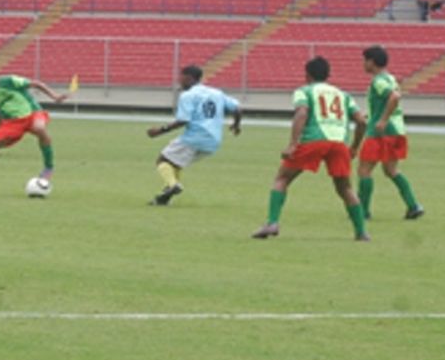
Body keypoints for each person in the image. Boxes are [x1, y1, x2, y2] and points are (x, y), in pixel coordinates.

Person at [252, 56, 370, 241]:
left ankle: (272, 222)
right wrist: (354, 147)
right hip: (339, 143)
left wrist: (293, 144)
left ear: (307, 75)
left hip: (313, 140)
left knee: (282, 178)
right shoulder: (343, 95)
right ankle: (361, 232)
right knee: (345, 188)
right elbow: (362, 122)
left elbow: (302, 113)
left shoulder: (304, 91)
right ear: (328, 75)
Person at [0, 63, 67, 195]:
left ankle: (48, 167)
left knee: (39, 128)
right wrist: (0, 129)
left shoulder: (9, 81)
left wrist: (55, 96)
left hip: (33, 113)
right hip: (12, 123)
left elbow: (36, 84)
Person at [146, 65, 242, 206]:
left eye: (181, 77)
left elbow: (183, 120)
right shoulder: (216, 93)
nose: (179, 81)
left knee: (163, 161)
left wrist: (160, 131)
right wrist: (236, 125)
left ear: (189, 78)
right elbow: (237, 108)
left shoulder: (188, 95)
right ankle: (164, 198)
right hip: (213, 142)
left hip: (195, 137)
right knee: (175, 164)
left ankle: (173, 185)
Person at [358, 46, 424, 220]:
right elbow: (388, 100)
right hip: (397, 130)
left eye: (365, 60)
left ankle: (363, 212)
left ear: (372, 62)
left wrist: (382, 120)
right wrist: (371, 114)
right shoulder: (390, 78)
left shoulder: (378, 81)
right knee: (391, 170)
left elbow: (394, 97)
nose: (363, 64)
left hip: (382, 132)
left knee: (364, 171)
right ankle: (413, 205)